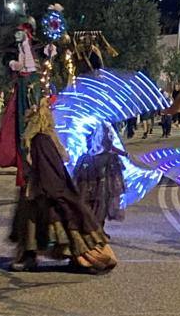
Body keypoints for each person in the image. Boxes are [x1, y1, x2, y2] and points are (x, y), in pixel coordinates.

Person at [10, 96, 117, 272]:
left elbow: (48, 169)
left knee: (45, 224)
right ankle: (28, 256)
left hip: (43, 191)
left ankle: (83, 257)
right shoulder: (42, 139)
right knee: (31, 225)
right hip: (38, 189)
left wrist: (54, 192)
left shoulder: (41, 140)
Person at [74, 122, 127, 226]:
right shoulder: (101, 126)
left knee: (93, 205)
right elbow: (107, 143)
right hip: (100, 170)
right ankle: (94, 227)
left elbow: (107, 143)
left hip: (91, 166)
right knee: (99, 205)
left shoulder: (90, 124)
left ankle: (92, 226)